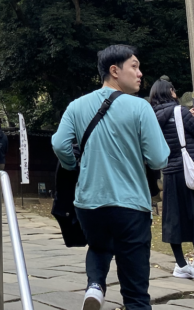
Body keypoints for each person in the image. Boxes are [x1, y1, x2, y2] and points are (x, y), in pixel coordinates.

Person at [52, 45, 169, 310]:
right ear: (114, 71)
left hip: (88, 203)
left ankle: (95, 286)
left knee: (99, 245)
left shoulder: (76, 106)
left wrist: (72, 164)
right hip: (131, 205)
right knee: (136, 290)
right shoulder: (140, 108)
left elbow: (60, 145)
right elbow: (159, 158)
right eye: (135, 66)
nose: (140, 73)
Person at [149, 79, 194, 279]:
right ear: (171, 92)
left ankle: (181, 264)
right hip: (188, 170)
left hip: (169, 172)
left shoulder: (152, 117)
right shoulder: (181, 112)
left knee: (173, 217)